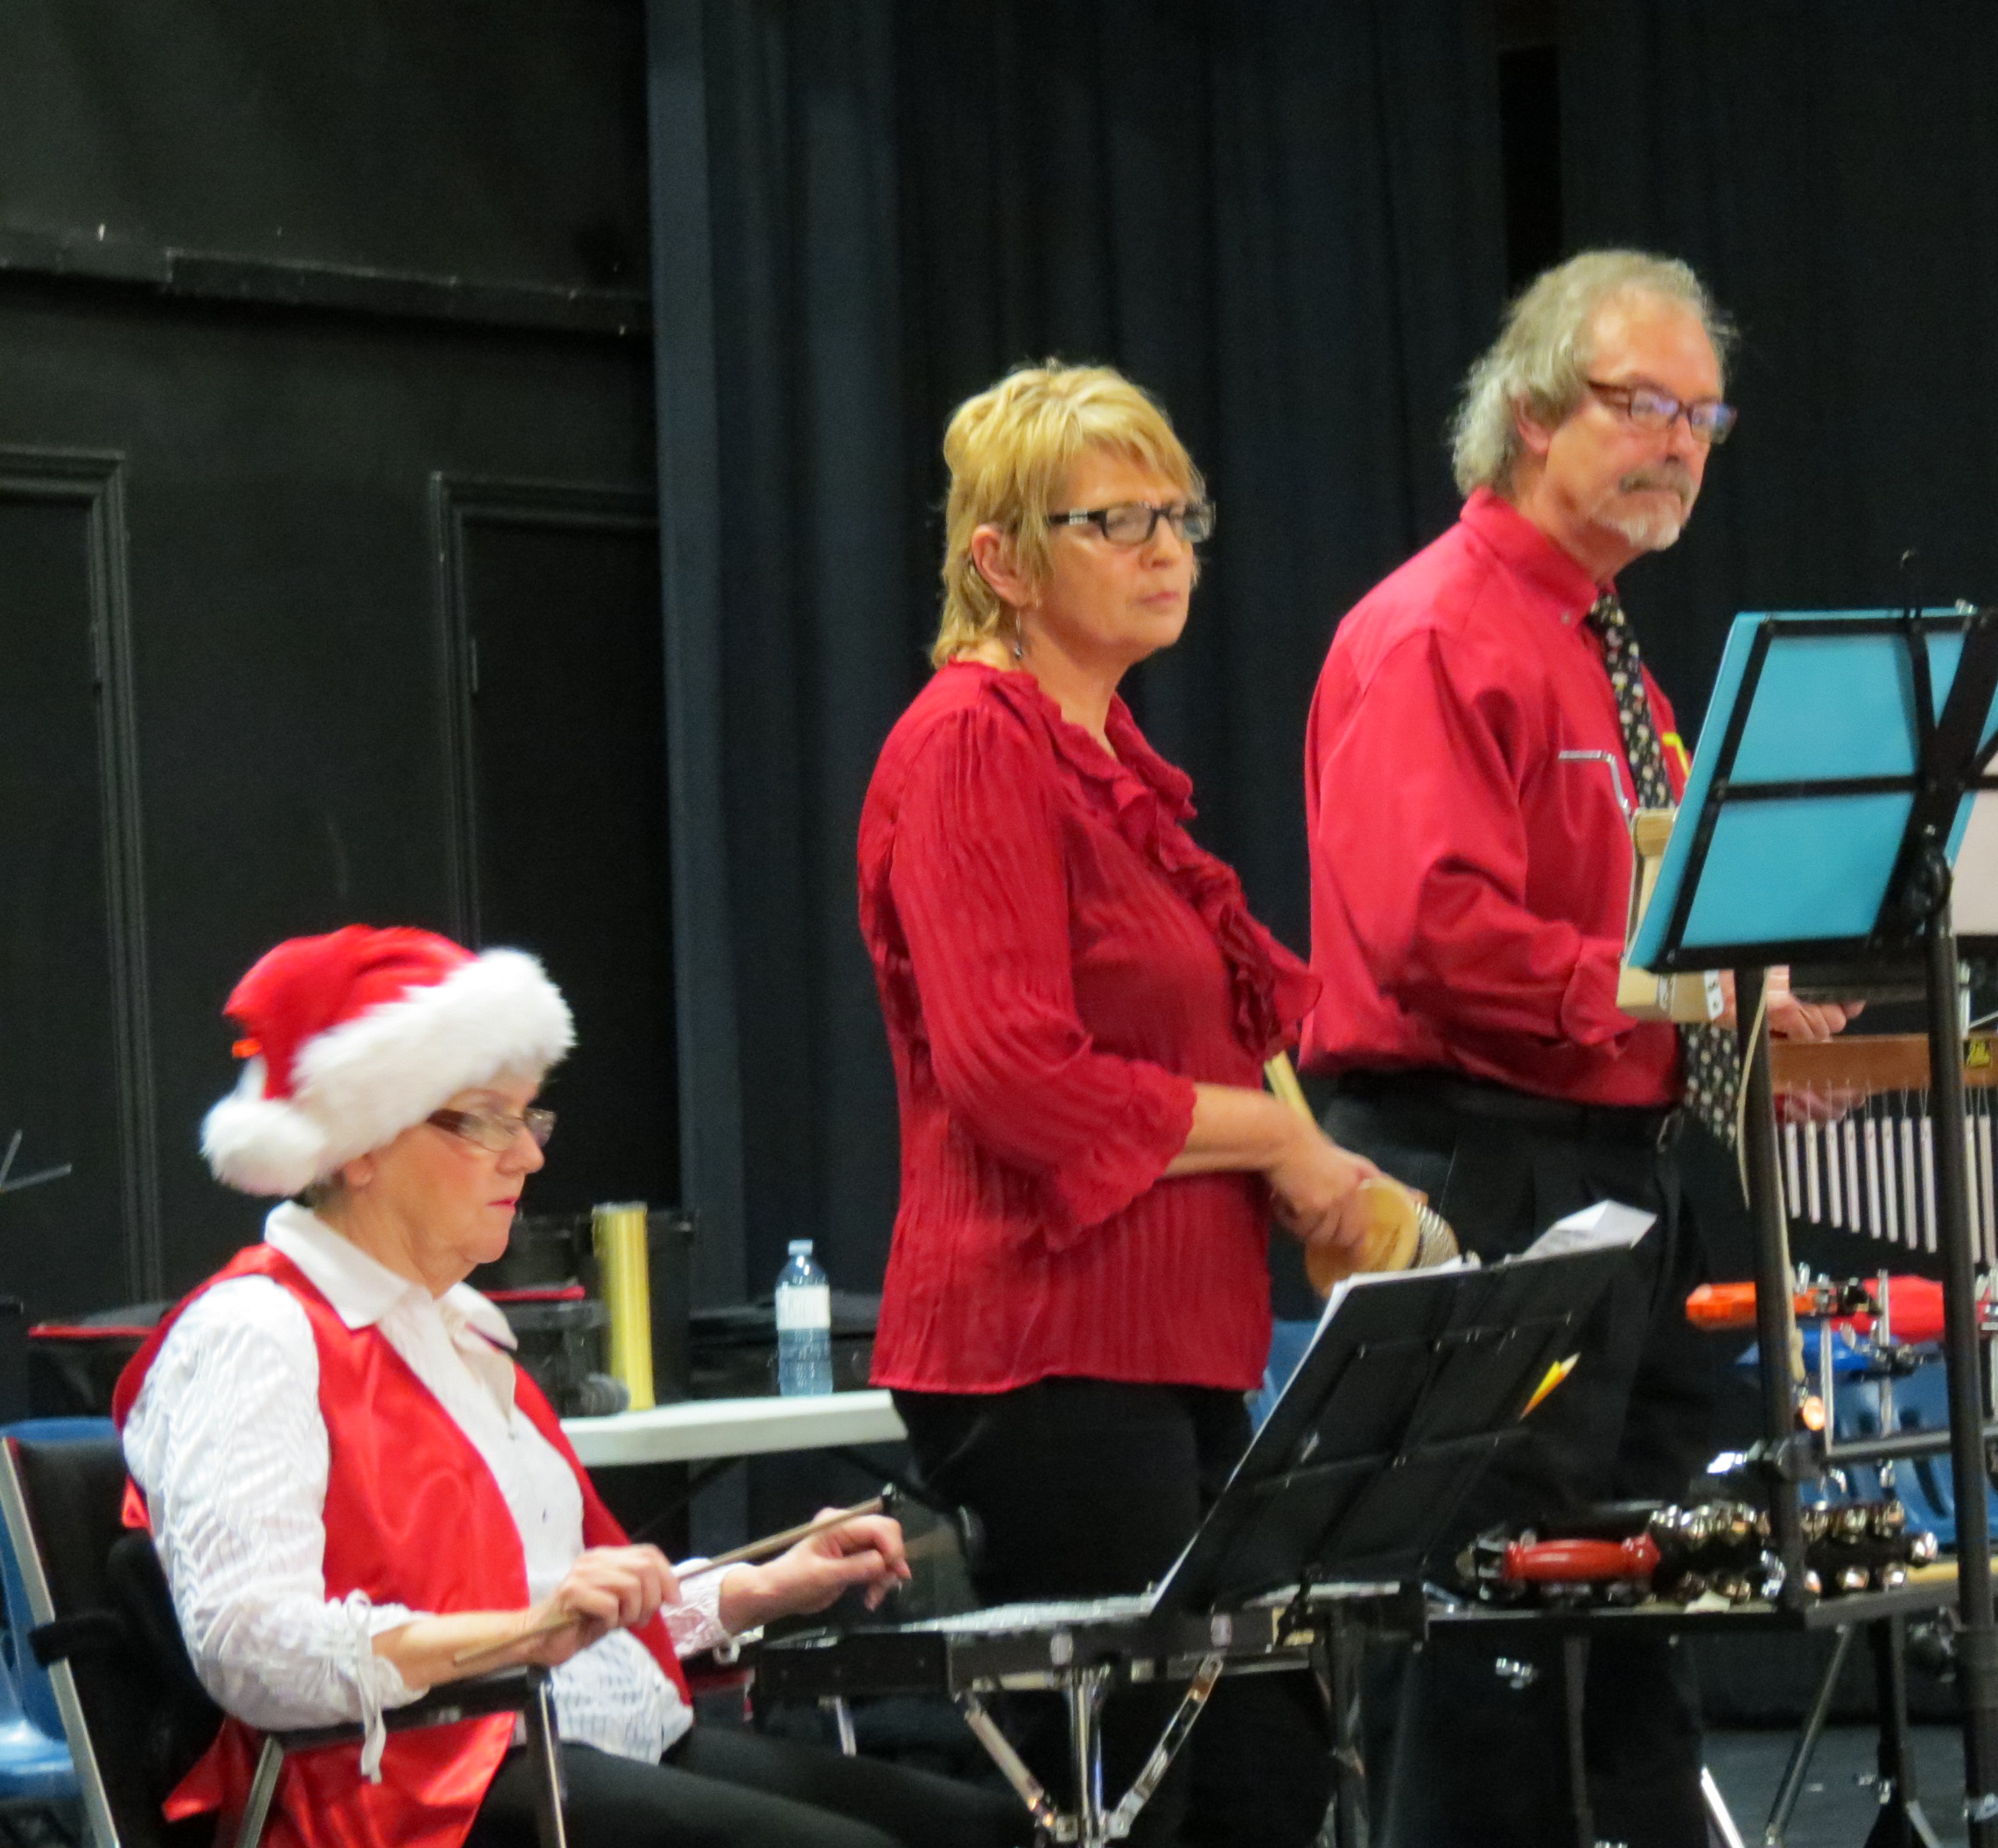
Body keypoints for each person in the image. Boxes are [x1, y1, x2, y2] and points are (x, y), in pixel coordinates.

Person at [1300, 249, 1851, 1847]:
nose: (1678, 439)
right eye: (1643, 403)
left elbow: (1648, 919)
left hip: (1624, 1170)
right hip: (1480, 1161)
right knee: (1490, 1630)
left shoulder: (1611, 651)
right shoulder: (1432, 632)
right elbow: (1433, 934)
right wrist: (1672, 996)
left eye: (1703, 413)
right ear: (1533, 412)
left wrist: (1750, 1000)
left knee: (1630, 1605)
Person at [116, 925, 1027, 1848]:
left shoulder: (460, 1330)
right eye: (485, 1122)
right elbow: (249, 1645)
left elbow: (560, 1605)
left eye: (531, 1119)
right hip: (410, 1793)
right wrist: (518, 1634)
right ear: (359, 1144)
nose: (529, 1157)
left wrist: (755, 1589)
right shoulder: (252, 1336)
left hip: (561, 1743)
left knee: (986, 1832)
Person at [859, 362, 1392, 1846]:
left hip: (1159, 1340)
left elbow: (1252, 1018)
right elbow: (1017, 1077)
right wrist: (1279, 1138)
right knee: (1150, 1788)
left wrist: (1321, 1163)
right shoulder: (973, 745)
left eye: (1180, 515)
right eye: (1115, 521)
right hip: (1040, 1341)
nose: (1168, 550)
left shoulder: (1107, 767)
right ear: (999, 559)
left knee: (1270, 1767)